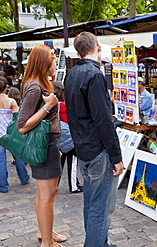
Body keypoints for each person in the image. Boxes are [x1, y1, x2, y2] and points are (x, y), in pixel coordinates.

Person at [64, 31, 123, 247]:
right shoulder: (94, 75)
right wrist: (116, 156)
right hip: (98, 150)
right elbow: (103, 120)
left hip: (84, 148)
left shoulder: (71, 74)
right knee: (100, 207)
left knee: (91, 204)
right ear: (97, 47)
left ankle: (100, 243)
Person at [17, 45, 67, 247]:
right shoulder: (36, 87)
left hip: (48, 144)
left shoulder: (35, 84)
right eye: (53, 60)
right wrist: (48, 106)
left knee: (44, 194)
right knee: (47, 196)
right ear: (44, 63)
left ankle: (45, 231)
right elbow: (22, 125)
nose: (55, 64)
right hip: (43, 146)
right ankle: (47, 242)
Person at [0, 76, 29, 193]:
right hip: (10, 135)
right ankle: (24, 177)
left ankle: (3, 185)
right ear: (6, 87)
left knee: (1, 160)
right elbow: (17, 118)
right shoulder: (11, 101)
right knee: (17, 156)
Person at [52, 81, 83, 194]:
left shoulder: (53, 105)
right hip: (70, 137)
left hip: (58, 136)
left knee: (59, 163)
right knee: (73, 162)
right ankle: (74, 185)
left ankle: (54, 185)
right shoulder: (65, 105)